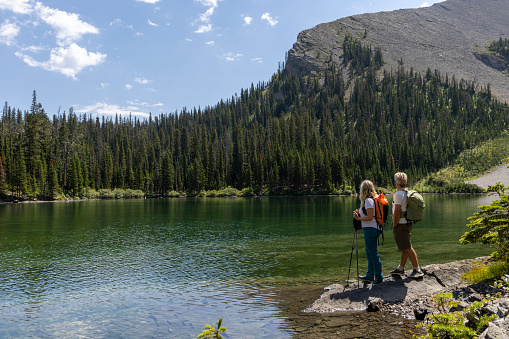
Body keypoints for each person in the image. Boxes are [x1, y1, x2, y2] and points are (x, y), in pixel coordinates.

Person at [390, 172, 424, 278]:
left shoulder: (398, 194)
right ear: (406, 182)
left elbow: (396, 212)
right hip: (408, 222)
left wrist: (394, 224)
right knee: (404, 246)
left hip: (401, 224)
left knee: (408, 247)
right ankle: (401, 268)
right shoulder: (407, 193)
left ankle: (417, 269)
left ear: (396, 183)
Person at [353, 180, 383, 284]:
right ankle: (370, 275)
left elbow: (370, 217)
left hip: (371, 229)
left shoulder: (369, 201)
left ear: (363, 189)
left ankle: (379, 277)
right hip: (373, 229)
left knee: (373, 254)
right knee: (369, 252)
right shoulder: (373, 199)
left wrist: (358, 218)